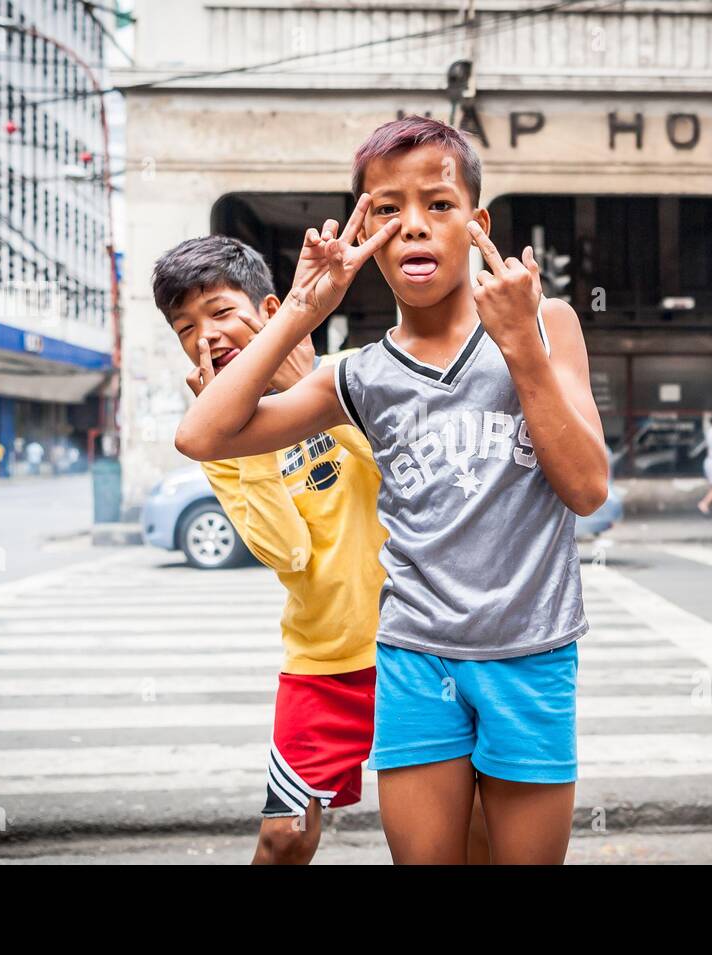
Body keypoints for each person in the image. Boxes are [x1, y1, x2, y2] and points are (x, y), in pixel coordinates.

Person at [175, 116, 607, 865]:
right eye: (385, 209)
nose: (413, 226)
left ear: (477, 224)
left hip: (531, 655)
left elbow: (587, 486)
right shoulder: (359, 374)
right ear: (362, 228)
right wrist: (307, 308)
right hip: (413, 660)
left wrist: (520, 349)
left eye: (438, 205)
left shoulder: (547, 322)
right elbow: (202, 435)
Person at [153, 234, 492, 864]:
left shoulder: (356, 374)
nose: (208, 337)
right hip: (322, 664)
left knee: (463, 827)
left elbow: (415, 480)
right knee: (282, 837)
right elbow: (286, 553)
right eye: (185, 328)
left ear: (272, 306)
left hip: (418, 646)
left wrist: (315, 390)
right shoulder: (214, 432)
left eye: (221, 312)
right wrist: (245, 442)